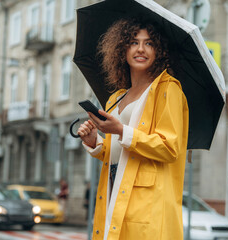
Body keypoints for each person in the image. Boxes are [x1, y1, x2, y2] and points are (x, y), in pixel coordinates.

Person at [77, 18, 189, 240]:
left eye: (149, 43)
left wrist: (120, 130)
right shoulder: (117, 96)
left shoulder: (168, 89)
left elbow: (169, 147)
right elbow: (120, 154)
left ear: (159, 51)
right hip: (113, 188)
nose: (140, 49)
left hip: (147, 203)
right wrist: (95, 142)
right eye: (133, 42)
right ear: (122, 49)